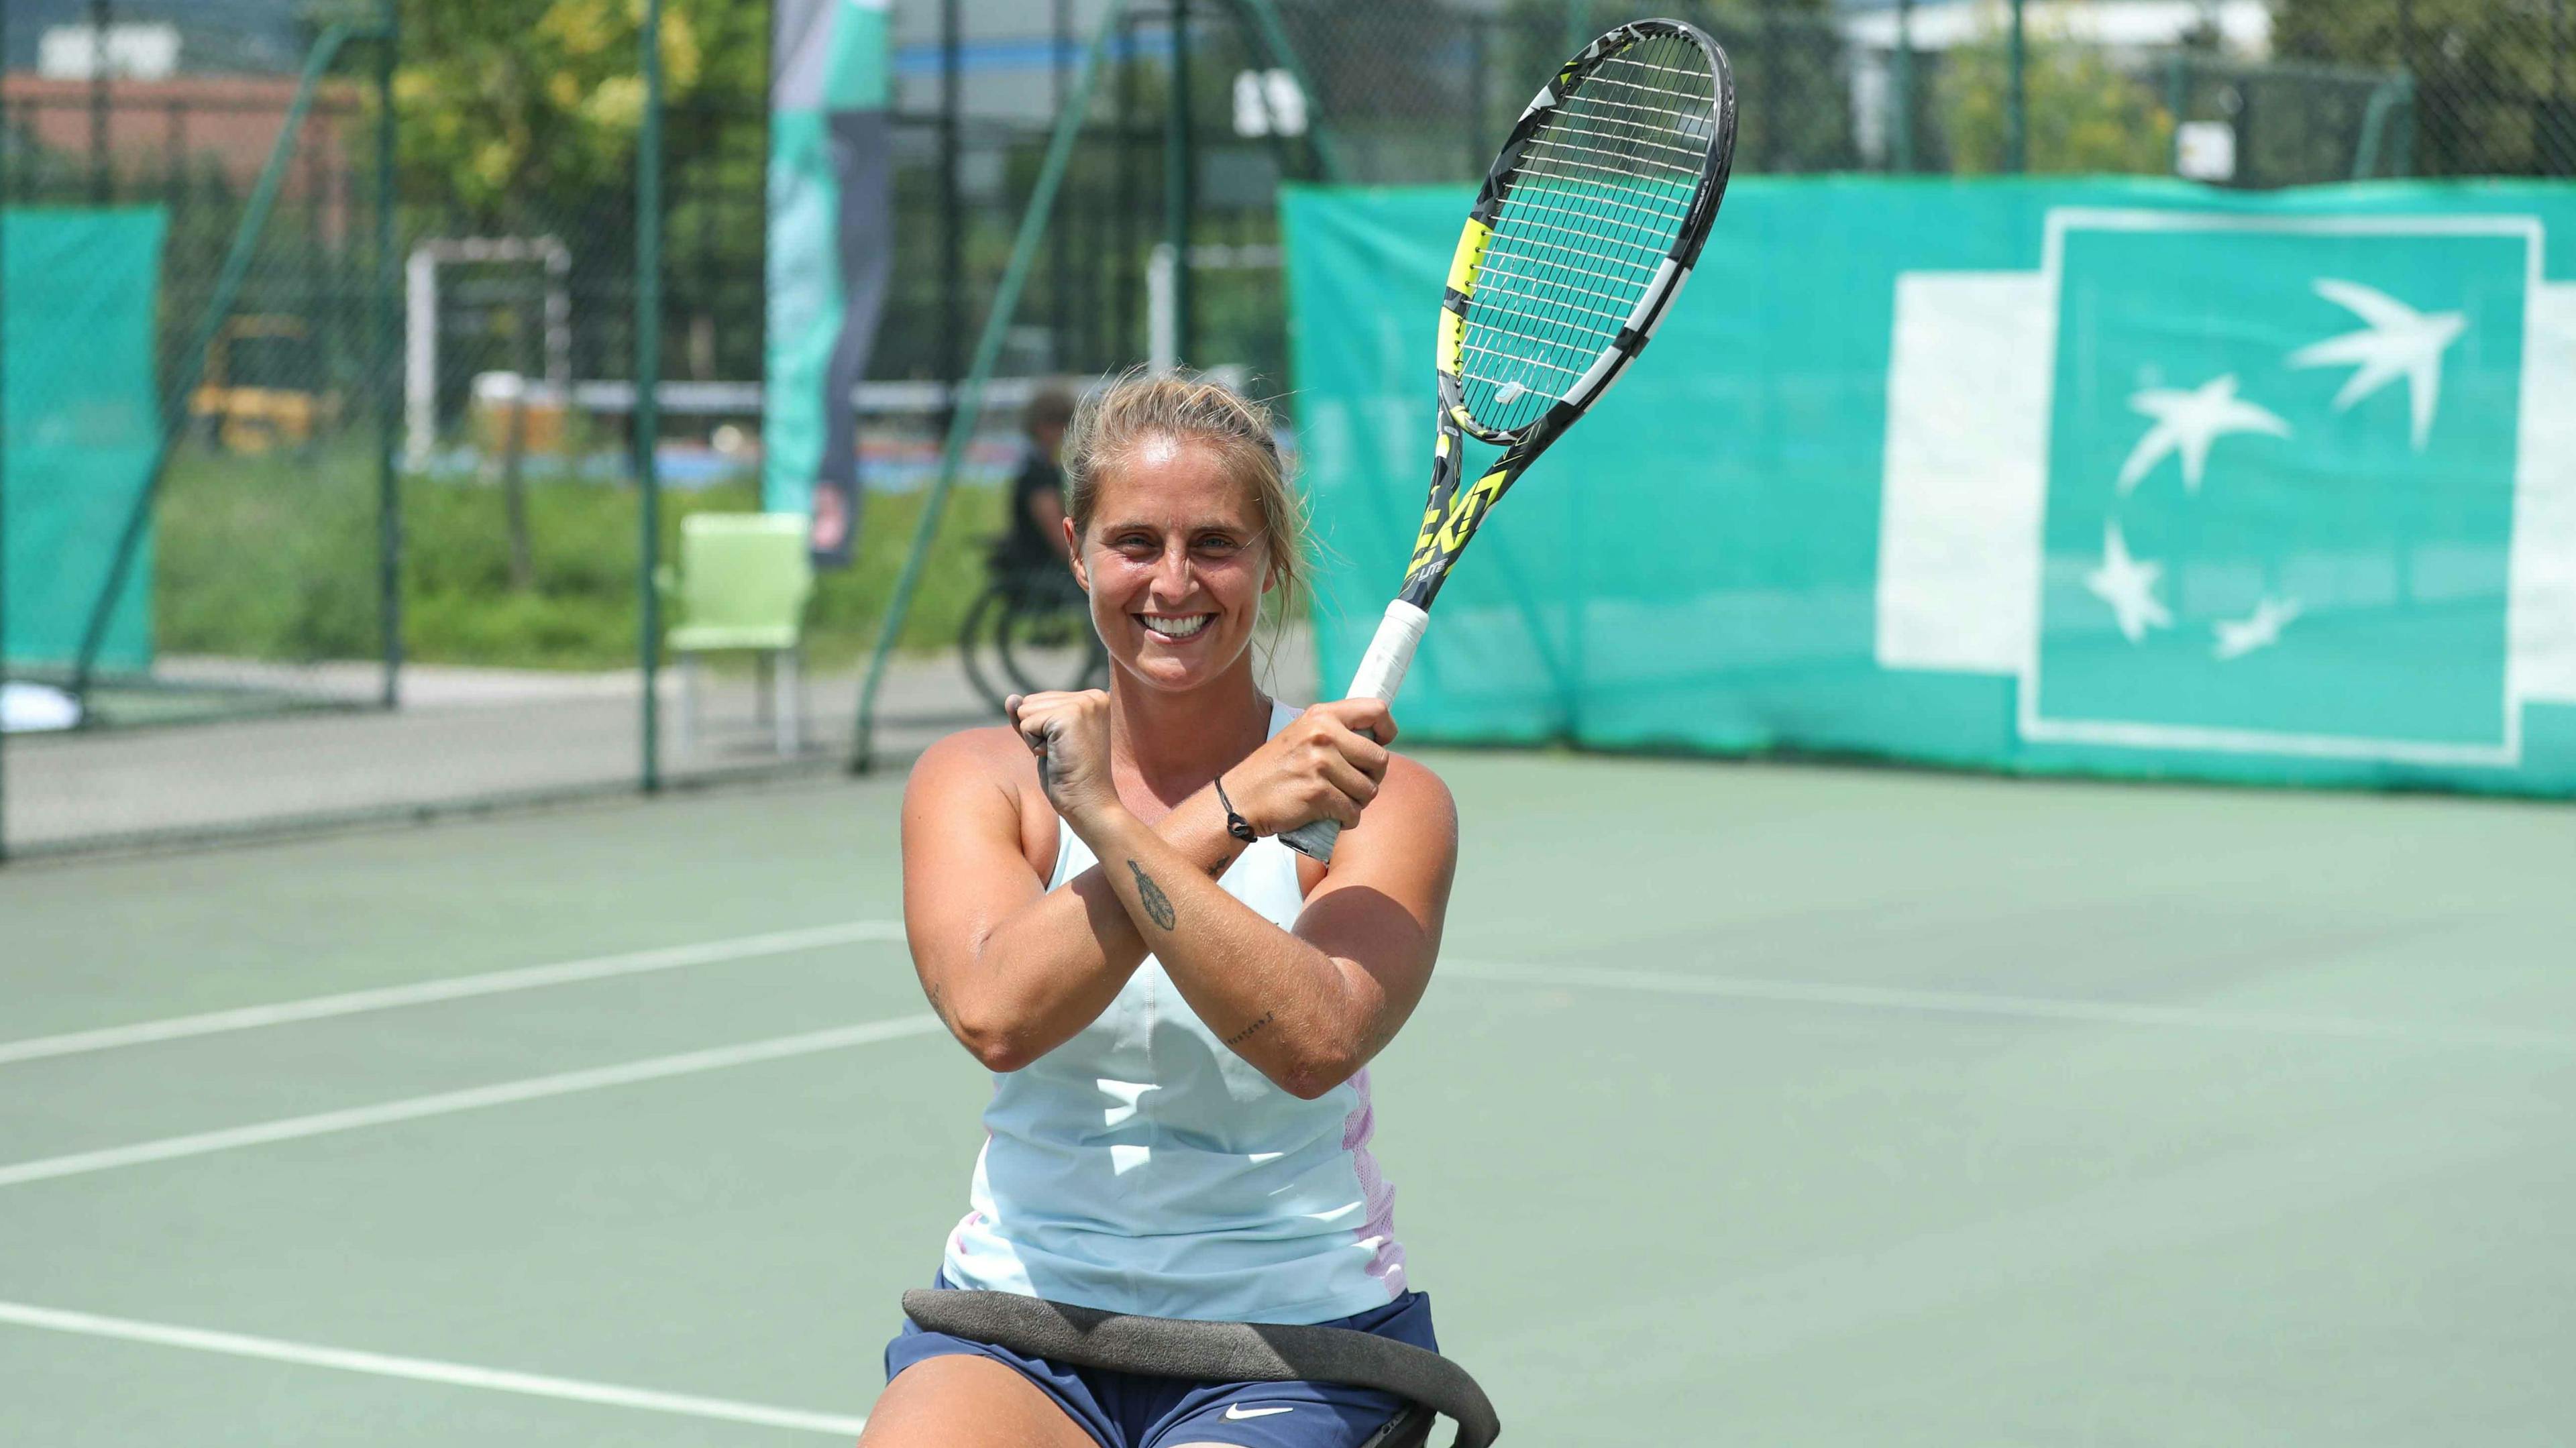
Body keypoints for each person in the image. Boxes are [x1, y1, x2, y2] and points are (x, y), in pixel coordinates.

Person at [871, 373, 1459, 1448]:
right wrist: (1220, 814)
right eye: (1135, 541)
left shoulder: (1390, 800)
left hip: (1293, 1328)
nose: (1173, 582)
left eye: (1218, 545)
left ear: (1270, 561)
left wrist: (1130, 820)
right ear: (1076, 550)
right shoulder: (978, 779)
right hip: (1021, 1323)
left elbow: (1313, 1039)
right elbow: (999, 1011)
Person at [1000, 384, 1081, 575]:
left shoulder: (1046, 468)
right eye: (1061, 423)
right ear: (1041, 427)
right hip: (1044, 571)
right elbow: (1062, 542)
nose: (1067, 432)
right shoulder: (1038, 477)